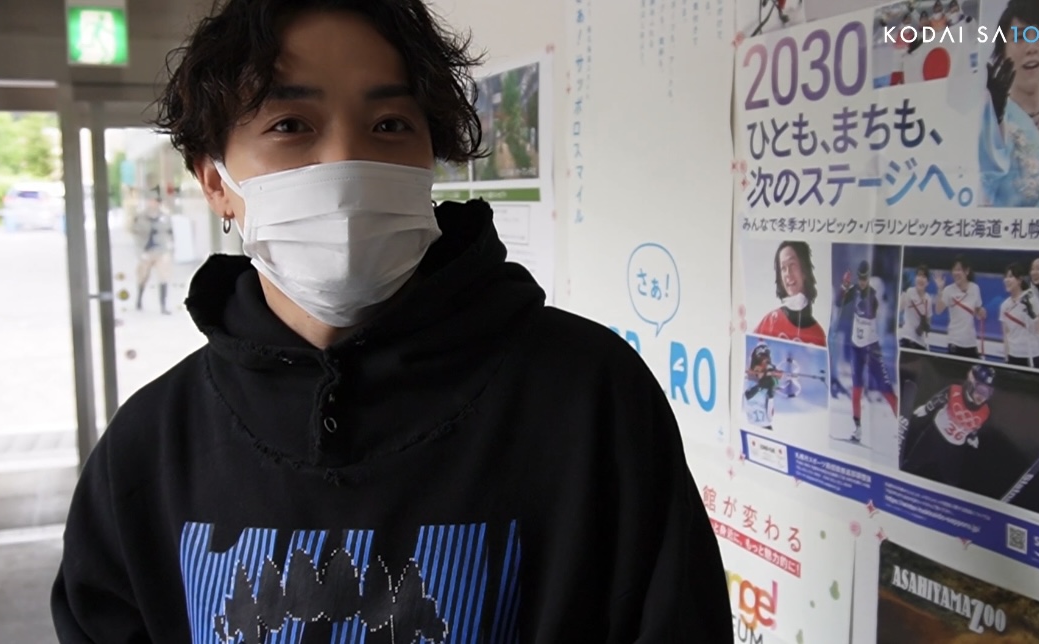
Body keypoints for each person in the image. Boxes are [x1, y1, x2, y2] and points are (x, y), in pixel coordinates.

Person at [49, 1, 731, 641]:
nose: (347, 160)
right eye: (290, 126)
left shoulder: (590, 398)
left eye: (389, 126)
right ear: (214, 181)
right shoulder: (150, 449)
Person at [979, 0, 1039, 208]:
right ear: (1003, 49)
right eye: (1020, 37)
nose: (1031, 48)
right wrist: (994, 117)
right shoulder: (988, 121)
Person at [899, 364, 995, 488]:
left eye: (988, 393)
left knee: (952, 479)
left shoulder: (985, 411)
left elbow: (976, 425)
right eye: (981, 390)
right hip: (934, 435)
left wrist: (972, 436)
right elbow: (939, 399)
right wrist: (927, 408)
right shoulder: (954, 391)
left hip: (955, 448)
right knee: (912, 463)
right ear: (971, 383)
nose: (982, 397)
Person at [836, 260, 899, 444]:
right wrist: (844, 286)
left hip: (872, 349)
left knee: (887, 391)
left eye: (865, 279)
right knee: (856, 390)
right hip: (856, 348)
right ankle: (857, 430)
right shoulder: (855, 289)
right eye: (860, 279)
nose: (862, 282)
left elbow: (867, 309)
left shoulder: (872, 294)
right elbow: (839, 302)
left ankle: (900, 429)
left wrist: (855, 293)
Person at [754, 240, 827, 347]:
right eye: (783, 268)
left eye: (792, 265)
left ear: (804, 270)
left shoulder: (818, 334)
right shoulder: (770, 321)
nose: (788, 273)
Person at [132, 186, 175, 315]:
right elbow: (135, 232)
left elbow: (170, 231)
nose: (153, 203)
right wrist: (140, 252)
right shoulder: (141, 216)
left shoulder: (165, 216)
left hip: (161, 250)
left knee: (163, 276)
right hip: (146, 250)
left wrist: (170, 247)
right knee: (142, 276)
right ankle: (139, 299)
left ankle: (163, 305)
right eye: (150, 201)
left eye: (155, 201)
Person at [934, 255, 986, 358]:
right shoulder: (948, 290)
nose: (955, 273)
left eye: (959, 270)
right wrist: (940, 289)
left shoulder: (975, 288)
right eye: (954, 270)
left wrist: (981, 312)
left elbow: (977, 311)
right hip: (955, 342)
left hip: (971, 343)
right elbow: (938, 310)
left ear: (967, 271)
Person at [998, 263, 1039, 367]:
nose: (1006, 280)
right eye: (1005, 277)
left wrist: (1032, 314)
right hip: (1013, 356)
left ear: (1019, 280)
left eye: (1010, 276)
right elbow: (1006, 335)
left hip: (1031, 356)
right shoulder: (1004, 305)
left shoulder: (1030, 298)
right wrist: (1006, 358)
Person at [744, 341, 782, 429]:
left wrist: (763, 387)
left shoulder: (753, 421)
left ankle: (759, 355)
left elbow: (748, 396)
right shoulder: (768, 420)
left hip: (756, 387)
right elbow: (770, 398)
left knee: (759, 371)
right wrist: (768, 388)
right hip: (761, 388)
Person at [898, 264, 933, 350]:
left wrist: (926, 326)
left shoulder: (928, 298)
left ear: (927, 282)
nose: (921, 279)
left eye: (924, 277)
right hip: (907, 339)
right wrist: (904, 292)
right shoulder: (909, 291)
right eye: (919, 275)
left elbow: (928, 322)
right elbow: (900, 308)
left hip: (921, 343)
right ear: (915, 278)